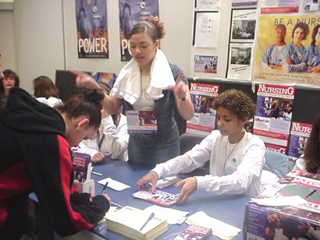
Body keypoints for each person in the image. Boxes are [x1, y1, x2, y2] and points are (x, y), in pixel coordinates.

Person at [74, 16, 194, 166]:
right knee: (136, 183)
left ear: (156, 44)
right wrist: (95, 87)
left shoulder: (172, 73)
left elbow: (188, 114)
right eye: (132, 46)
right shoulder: (127, 73)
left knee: (163, 184)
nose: (137, 51)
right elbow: (111, 107)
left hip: (165, 144)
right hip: (137, 143)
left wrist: (183, 97)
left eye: (143, 45)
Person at [0, 87, 110, 239]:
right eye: (85, 138)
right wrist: (100, 204)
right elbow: (66, 222)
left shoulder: (34, 118)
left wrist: (80, 199)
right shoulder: (52, 142)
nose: (79, 144)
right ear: (82, 124)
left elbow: (49, 182)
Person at [137, 89, 266, 203]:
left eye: (227, 120)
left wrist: (199, 182)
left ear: (244, 119)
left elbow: (241, 182)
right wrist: (158, 171)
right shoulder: (216, 137)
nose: (220, 123)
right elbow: (189, 159)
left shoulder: (255, 146)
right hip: (217, 200)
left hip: (243, 203)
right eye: (218, 117)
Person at [76, 82, 129, 162]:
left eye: (104, 102)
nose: (101, 107)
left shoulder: (123, 121)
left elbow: (117, 152)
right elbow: (76, 144)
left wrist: (107, 121)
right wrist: (92, 153)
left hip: (116, 167)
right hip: (92, 165)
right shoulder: (85, 119)